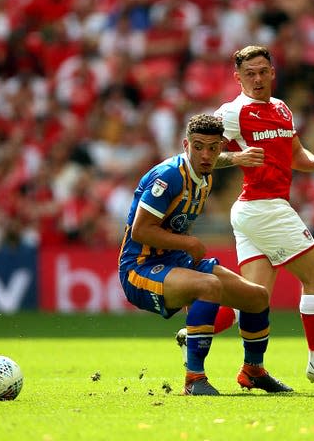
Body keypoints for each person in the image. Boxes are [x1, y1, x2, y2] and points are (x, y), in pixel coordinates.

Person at [177, 45, 314, 389]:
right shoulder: (233, 112)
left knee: (254, 297)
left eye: (263, 71)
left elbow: (296, 156)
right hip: (265, 206)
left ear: (273, 72)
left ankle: (207, 337)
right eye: (250, 73)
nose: (258, 78)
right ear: (238, 78)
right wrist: (236, 158)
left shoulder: (281, 109)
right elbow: (195, 156)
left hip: (254, 209)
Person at [118, 114, 279, 396]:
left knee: (257, 297)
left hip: (174, 261)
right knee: (209, 286)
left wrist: (237, 158)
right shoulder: (168, 177)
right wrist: (188, 243)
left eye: (213, 148)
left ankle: (254, 371)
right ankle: (194, 380)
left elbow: (215, 159)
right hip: (140, 268)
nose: (206, 155)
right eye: (198, 146)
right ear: (185, 145)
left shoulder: (205, 170)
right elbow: (140, 232)